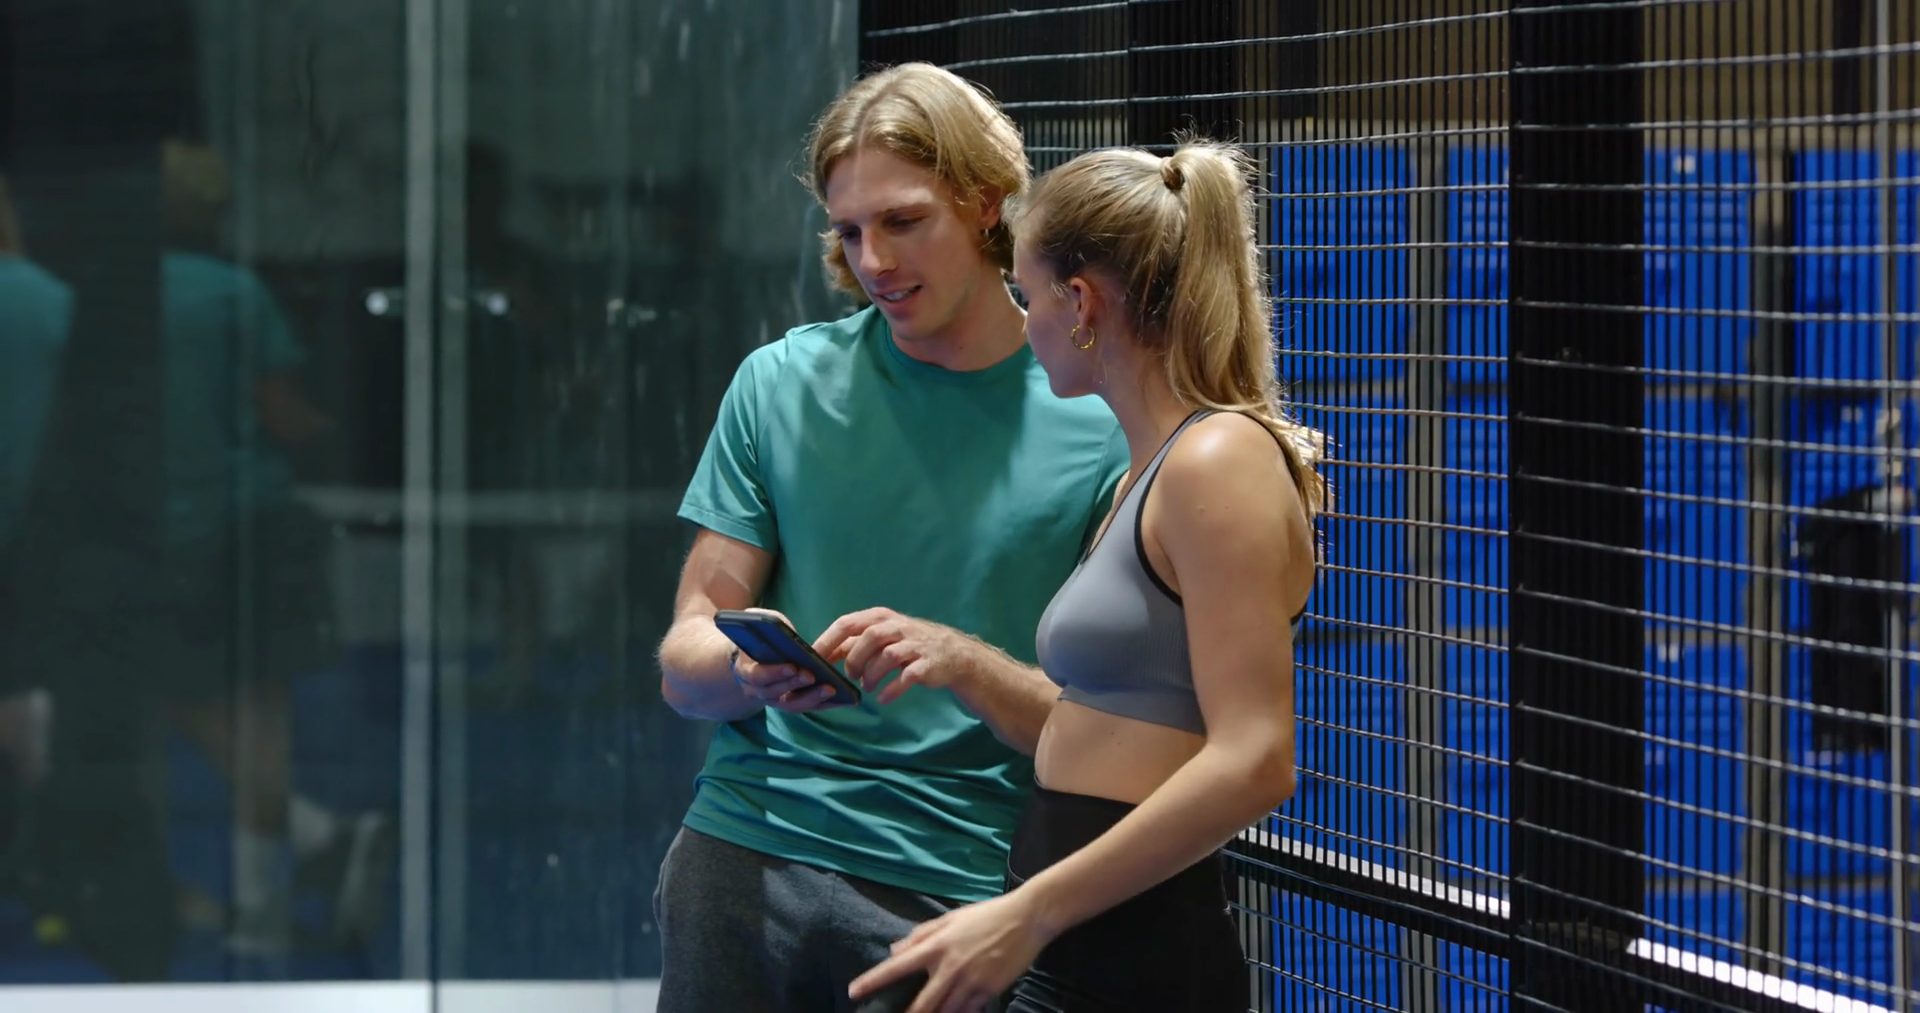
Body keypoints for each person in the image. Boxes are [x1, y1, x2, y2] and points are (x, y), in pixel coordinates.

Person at [651, 63, 1128, 1012]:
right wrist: (747, 668)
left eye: (904, 222)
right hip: (744, 848)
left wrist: (966, 663)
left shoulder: (1102, 419)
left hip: (957, 884)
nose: (873, 259)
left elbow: (1118, 735)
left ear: (987, 202)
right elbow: (683, 660)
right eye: (849, 230)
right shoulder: (779, 383)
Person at [840, 139, 1323, 1012]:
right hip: (1075, 932)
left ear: (1083, 302)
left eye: (1028, 298)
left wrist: (1029, 912)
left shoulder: (1216, 458)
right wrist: (960, 663)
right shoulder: (1148, 469)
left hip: (1137, 947)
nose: (1024, 325)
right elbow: (1108, 721)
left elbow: (1257, 758)